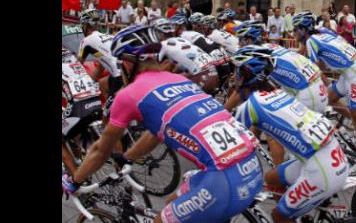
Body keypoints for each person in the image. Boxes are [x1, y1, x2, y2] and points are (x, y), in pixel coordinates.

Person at [62, 25, 262, 223]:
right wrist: (127, 157)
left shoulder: (128, 94)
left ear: (129, 64)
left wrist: (74, 181)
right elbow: (157, 131)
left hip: (221, 182)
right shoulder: (181, 80)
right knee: (172, 202)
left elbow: (99, 151)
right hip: (251, 169)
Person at [234, 57, 347, 223]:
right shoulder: (278, 93)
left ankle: (286, 214)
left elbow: (232, 143)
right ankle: (294, 210)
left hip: (322, 169)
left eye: (235, 77)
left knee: (278, 216)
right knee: (271, 179)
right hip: (330, 156)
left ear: (242, 79)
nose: (233, 82)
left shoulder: (249, 107)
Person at [293, 11, 356, 160]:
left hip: (355, 75)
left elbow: (314, 69)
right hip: (347, 73)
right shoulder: (322, 32)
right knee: (329, 99)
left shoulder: (311, 41)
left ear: (303, 30)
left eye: (295, 29)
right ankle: (354, 123)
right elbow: (302, 56)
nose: (292, 32)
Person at [62, 48, 103, 176]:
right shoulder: (67, 52)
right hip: (96, 101)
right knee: (71, 129)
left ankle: (75, 180)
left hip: (79, 106)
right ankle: (79, 160)